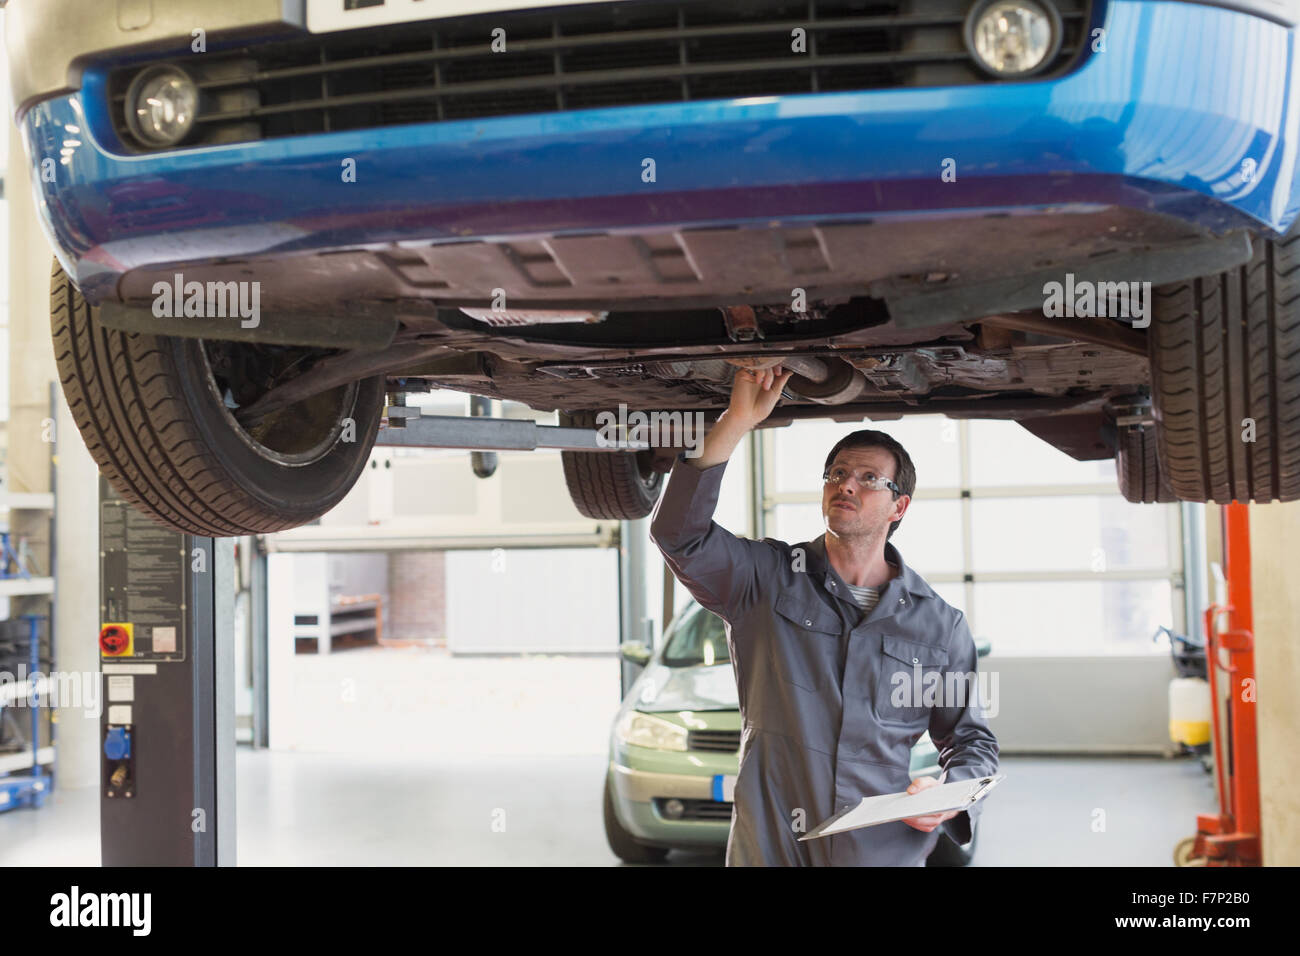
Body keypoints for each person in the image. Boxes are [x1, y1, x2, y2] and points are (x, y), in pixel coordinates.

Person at [648, 364, 999, 866]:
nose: (846, 485)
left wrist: (947, 792)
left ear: (898, 507)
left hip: (879, 849)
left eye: (868, 478)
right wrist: (736, 420)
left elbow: (969, 739)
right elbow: (680, 534)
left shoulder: (939, 626)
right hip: (773, 845)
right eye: (836, 474)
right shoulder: (766, 580)